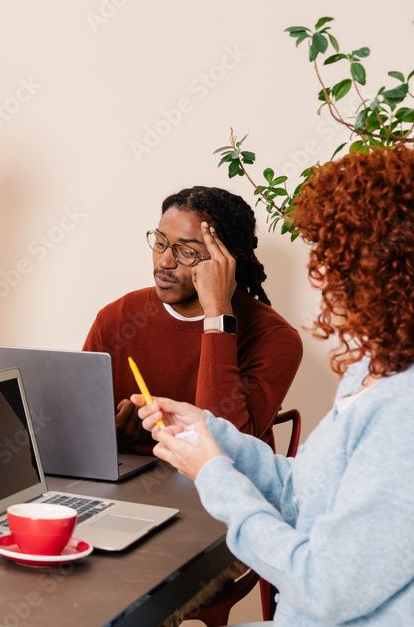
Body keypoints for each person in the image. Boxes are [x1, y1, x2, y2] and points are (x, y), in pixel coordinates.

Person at [138, 146, 414, 625]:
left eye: (335, 261)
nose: (321, 277)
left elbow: (323, 587)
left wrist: (213, 473)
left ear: (384, 276)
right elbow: (303, 492)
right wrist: (210, 432)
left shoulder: (403, 412)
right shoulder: (373, 370)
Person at [83, 186, 302, 453]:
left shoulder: (275, 339)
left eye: (186, 252)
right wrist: (110, 437)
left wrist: (218, 316)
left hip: (222, 489)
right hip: (132, 487)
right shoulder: (118, 318)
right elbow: (79, 429)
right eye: (161, 242)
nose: (164, 262)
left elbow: (225, 450)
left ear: (225, 261)